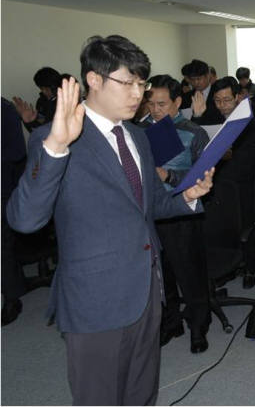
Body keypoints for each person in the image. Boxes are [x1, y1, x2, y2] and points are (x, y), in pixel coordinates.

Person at [6, 35, 214, 405]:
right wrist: (57, 146)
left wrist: (185, 196)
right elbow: (24, 219)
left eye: (142, 84)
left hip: (147, 289)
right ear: (94, 80)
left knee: (141, 392)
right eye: (128, 83)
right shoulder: (53, 137)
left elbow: (147, 206)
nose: (139, 94)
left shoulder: (138, 136)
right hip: (95, 300)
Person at [143, 74, 211, 353]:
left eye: (161, 104)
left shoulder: (194, 132)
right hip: (150, 211)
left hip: (182, 212)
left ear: (177, 102)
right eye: (151, 104)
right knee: (161, 274)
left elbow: (203, 176)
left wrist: (168, 174)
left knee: (189, 272)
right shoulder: (138, 131)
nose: (155, 110)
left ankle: (199, 326)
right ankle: (171, 322)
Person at [208, 77, 255, 288]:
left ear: (238, 98)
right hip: (215, 184)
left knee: (245, 226)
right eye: (217, 100)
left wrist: (230, 156)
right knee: (219, 226)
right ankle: (228, 266)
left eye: (227, 100)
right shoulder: (211, 120)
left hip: (241, 183)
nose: (222, 105)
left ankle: (249, 267)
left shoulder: (250, 121)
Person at [1, 98, 28, 326]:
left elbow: (17, 151)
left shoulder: (5, 110)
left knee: (2, 248)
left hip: (3, 187)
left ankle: (12, 299)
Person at [13, 66, 63, 131]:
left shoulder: (66, 102)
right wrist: (28, 121)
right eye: (42, 88)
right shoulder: (41, 102)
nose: (44, 92)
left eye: (47, 88)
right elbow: (36, 132)